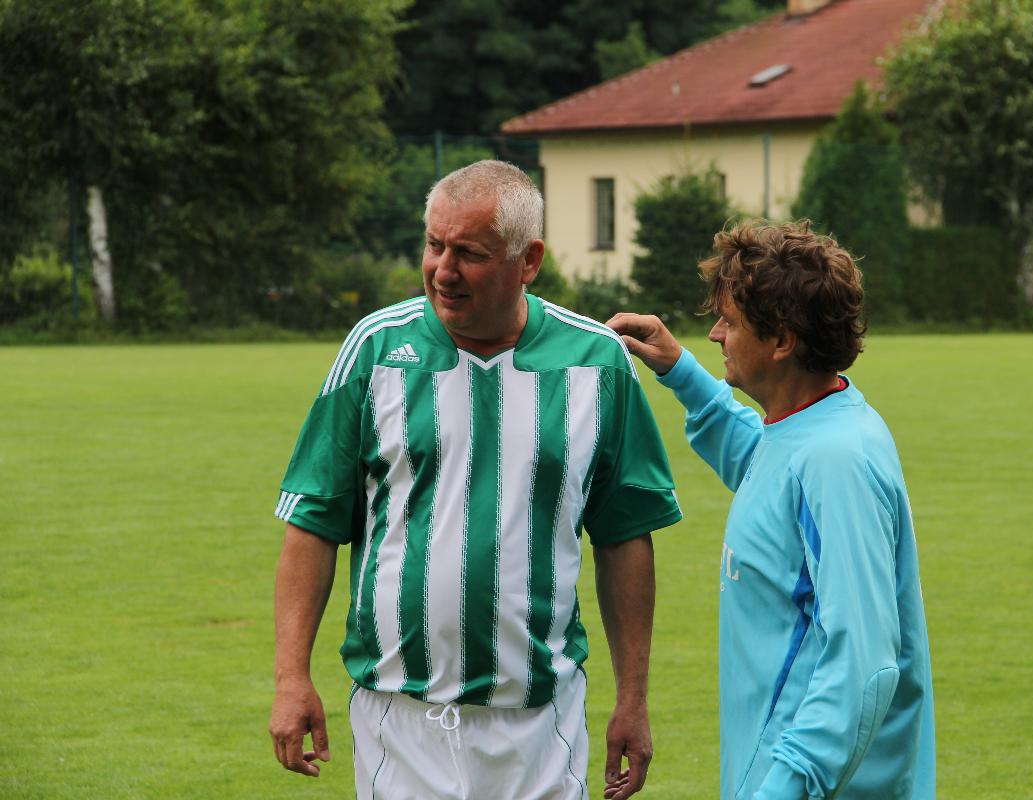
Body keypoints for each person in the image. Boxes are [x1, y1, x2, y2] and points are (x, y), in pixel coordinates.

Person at [269, 160, 682, 800]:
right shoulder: (375, 348)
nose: (443, 269)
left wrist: (634, 698)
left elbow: (626, 537)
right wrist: (291, 677)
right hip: (398, 719)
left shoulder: (597, 361)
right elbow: (314, 520)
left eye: (470, 253)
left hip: (540, 724)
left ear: (529, 260)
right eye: (435, 245)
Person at [608, 220, 935, 799]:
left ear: (782, 341)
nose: (715, 334)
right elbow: (765, 467)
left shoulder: (836, 461)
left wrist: (784, 788)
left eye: (730, 323)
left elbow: (863, 665)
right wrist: (681, 371)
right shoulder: (812, 428)